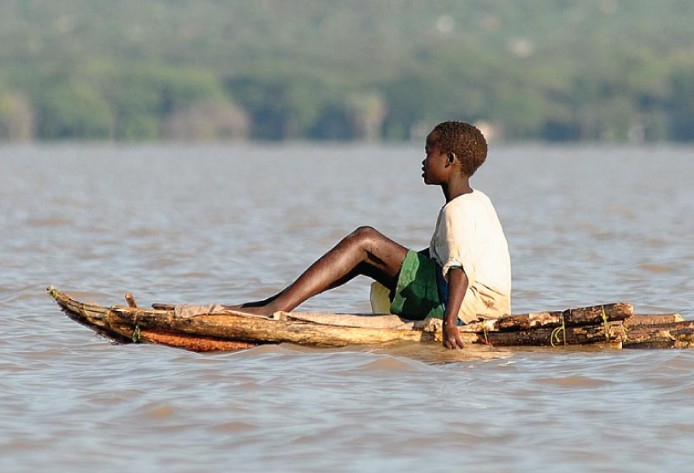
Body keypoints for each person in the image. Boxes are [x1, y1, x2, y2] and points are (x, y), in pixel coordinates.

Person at [229, 121, 511, 349]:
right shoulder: (478, 201)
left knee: (365, 240)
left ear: (449, 160)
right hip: (477, 305)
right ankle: (275, 304)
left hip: (463, 310)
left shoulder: (457, 210)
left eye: (429, 152)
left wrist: (449, 324)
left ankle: (274, 308)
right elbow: (445, 258)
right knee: (367, 257)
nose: (423, 160)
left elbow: (458, 269)